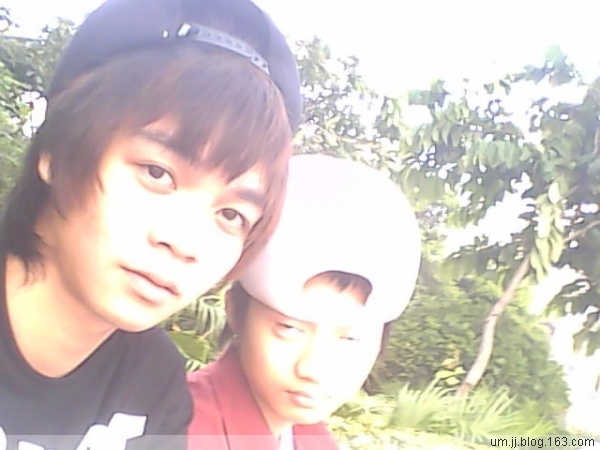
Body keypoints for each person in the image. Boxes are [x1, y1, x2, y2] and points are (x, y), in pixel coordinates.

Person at [0, 0, 301, 449]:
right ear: (57, 152)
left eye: (231, 215)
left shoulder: (152, 385)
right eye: (157, 173)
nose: (186, 244)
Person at [187, 154, 422, 450]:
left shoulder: (311, 437)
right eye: (289, 329)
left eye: (351, 338)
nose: (314, 370)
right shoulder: (177, 430)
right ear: (235, 311)